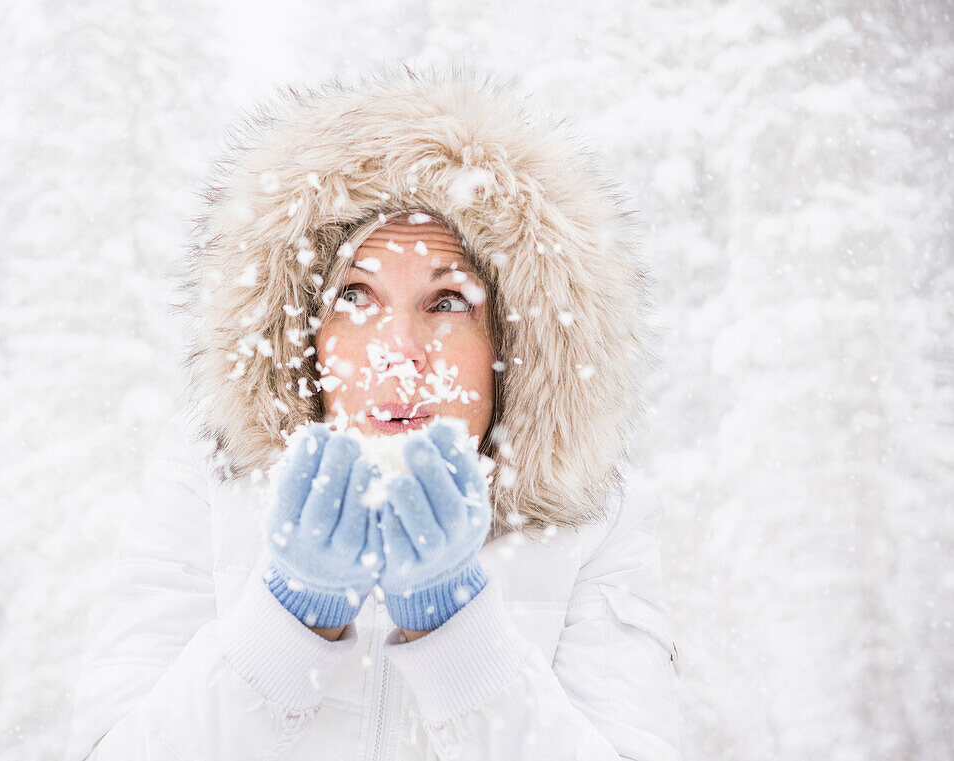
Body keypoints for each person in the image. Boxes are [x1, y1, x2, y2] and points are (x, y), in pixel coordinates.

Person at [64, 64, 682, 761]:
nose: (398, 355)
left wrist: (456, 632)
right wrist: (289, 619)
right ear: (301, 336)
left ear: (514, 342)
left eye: (448, 301)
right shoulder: (205, 485)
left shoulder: (592, 523)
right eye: (355, 296)